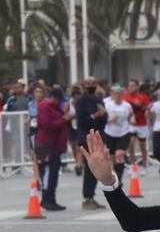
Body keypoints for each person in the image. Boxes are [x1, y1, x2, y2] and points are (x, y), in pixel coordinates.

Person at [36, 87, 72, 210]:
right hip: (46, 145)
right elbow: (47, 124)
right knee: (47, 173)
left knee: (54, 174)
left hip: (55, 145)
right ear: (54, 98)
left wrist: (64, 114)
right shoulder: (44, 107)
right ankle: (46, 199)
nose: (60, 103)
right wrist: (64, 119)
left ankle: (51, 199)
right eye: (59, 100)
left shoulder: (55, 107)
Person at [74, 78, 107, 209]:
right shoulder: (80, 101)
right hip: (86, 137)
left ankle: (91, 195)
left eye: (93, 84)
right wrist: (95, 116)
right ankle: (87, 197)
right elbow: (81, 121)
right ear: (83, 86)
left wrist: (103, 115)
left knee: (95, 169)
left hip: (98, 137)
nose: (91, 86)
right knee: (90, 168)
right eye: (88, 84)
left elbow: (104, 118)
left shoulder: (99, 100)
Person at [102, 85, 134, 184]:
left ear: (122, 95)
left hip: (123, 132)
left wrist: (132, 119)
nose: (117, 96)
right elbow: (102, 119)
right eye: (115, 94)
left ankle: (119, 179)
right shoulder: (108, 105)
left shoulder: (127, 105)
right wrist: (109, 120)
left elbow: (131, 115)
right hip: (110, 133)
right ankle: (114, 176)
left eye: (119, 94)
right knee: (112, 158)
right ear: (112, 94)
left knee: (119, 155)